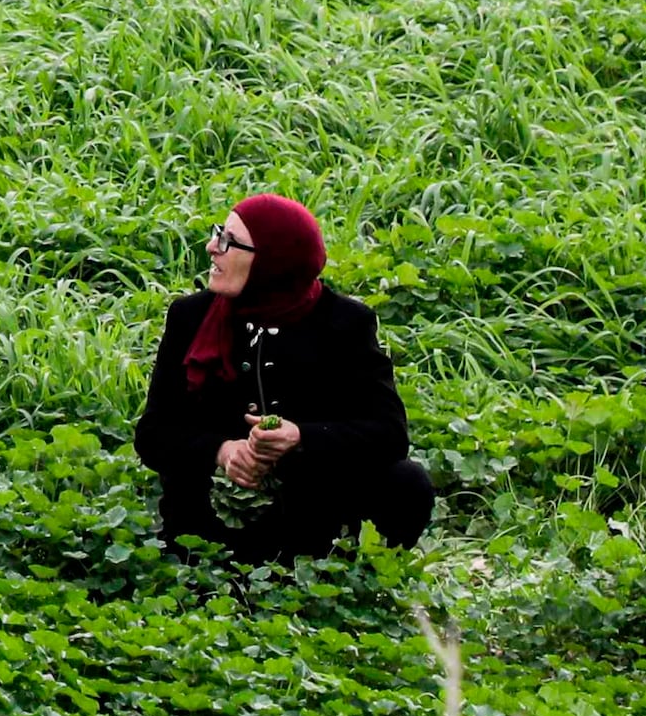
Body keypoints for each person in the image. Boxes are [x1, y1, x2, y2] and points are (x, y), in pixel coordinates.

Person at [133, 192, 433, 559]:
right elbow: (153, 433)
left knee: (406, 482)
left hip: (313, 507)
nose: (212, 247)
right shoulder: (191, 317)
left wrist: (302, 437)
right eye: (218, 234)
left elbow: (389, 433)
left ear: (272, 261)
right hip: (215, 511)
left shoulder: (343, 323)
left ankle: (344, 567)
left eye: (228, 241)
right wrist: (223, 451)